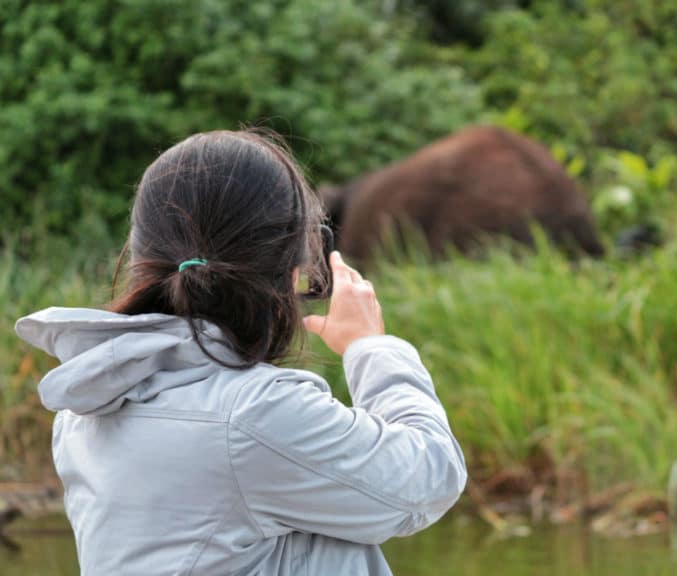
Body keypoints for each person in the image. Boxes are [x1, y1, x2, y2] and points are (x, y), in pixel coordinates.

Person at [14, 130, 467, 575]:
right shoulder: (252, 416)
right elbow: (431, 477)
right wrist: (370, 347)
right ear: (293, 269)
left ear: (140, 257)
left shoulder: (86, 407)